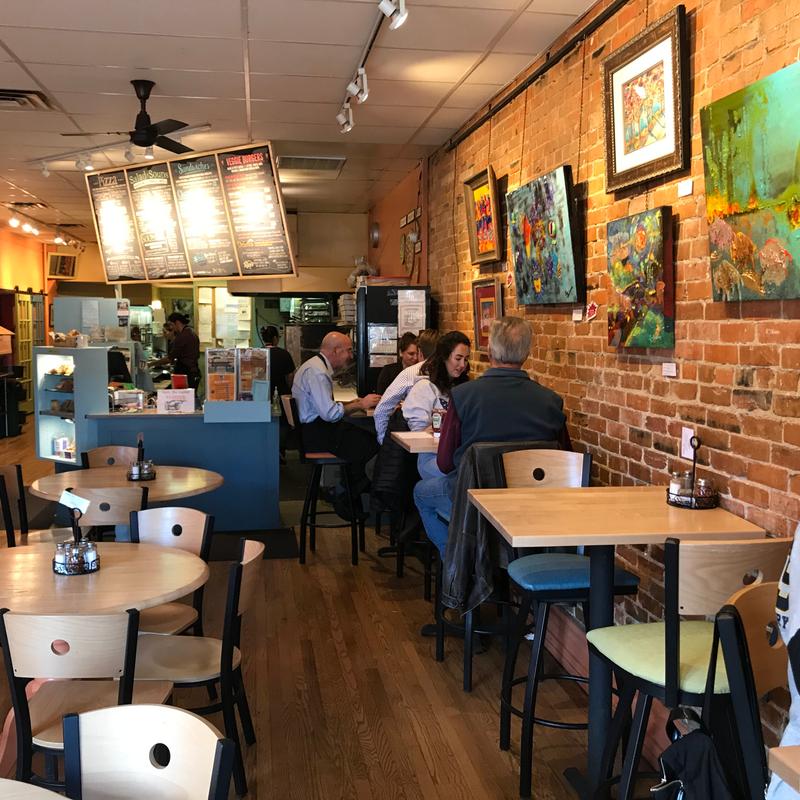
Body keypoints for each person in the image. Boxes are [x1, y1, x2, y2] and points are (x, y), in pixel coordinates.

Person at [413, 316, 568, 557]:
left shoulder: (463, 396)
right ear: (527, 354)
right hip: (532, 504)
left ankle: (456, 561)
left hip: (474, 501)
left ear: (489, 351)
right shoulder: (551, 401)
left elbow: (444, 463)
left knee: (421, 492)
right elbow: (565, 463)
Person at [291, 331, 381, 494]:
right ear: (335, 351)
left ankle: (348, 493)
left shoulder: (314, 366)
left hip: (314, 431)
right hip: (318, 435)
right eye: (349, 350)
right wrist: (361, 404)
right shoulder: (317, 373)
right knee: (374, 446)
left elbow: (324, 407)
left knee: (366, 441)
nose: (351, 356)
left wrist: (353, 403)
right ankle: (346, 496)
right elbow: (329, 414)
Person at [403, 331, 470, 479]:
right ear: (444, 357)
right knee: (464, 476)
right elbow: (418, 433)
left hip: (459, 455)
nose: (462, 365)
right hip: (432, 457)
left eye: (466, 359)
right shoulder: (425, 387)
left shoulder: (465, 388)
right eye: (458, 358)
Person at [373, 329, 440, 445]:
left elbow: (381, 410)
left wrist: (384, 441)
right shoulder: (449, 373)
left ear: (420, 352)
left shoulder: (410, 373)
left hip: (413, 440)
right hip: (438, 440)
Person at [166, 312, 201, 389]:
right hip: (193, 371)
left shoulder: (183, 335)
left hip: (187, 373)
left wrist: (152, 364)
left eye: (171, 324)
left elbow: (170, 358)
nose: (171, 328)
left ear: (177, 322)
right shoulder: (190, 331)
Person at [260, 324, 295, 396]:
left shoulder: (258, 353)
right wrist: (289, 389)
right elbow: (290, 376)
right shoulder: (284, 354)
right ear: (275, 338)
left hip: (262, 394)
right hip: (281, 393)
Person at [130, 325, 154, 392]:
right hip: (139, 380)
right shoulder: (137, 344)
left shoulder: (134, 344)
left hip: (136, 379)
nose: (138, 336)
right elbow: (142, 363)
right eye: (135, 335)